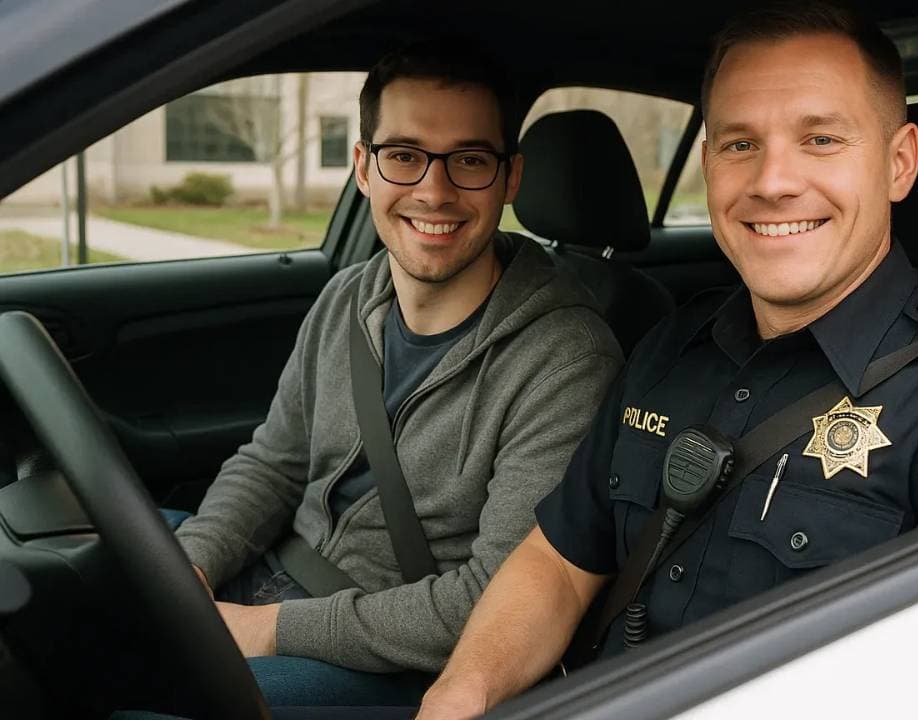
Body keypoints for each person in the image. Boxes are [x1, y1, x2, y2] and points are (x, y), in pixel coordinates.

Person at [415, 3, 918, 717]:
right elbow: (558, 562)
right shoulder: (671, 347)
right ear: (708, 164)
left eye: (821, 139)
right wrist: (460, 695)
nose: (772, 181)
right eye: (739, 145)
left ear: (898, 164)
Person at [169, 43, 622, 705]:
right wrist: (195, 563)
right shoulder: (348, 297)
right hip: (277, 582)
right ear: (363, 167)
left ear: (510, 178)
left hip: (395, 661)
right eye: (405, 156)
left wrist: (270, 629)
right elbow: (274, 462)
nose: (434, 192)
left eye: (469, 161)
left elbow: (496, 602)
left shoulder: (566, 360)